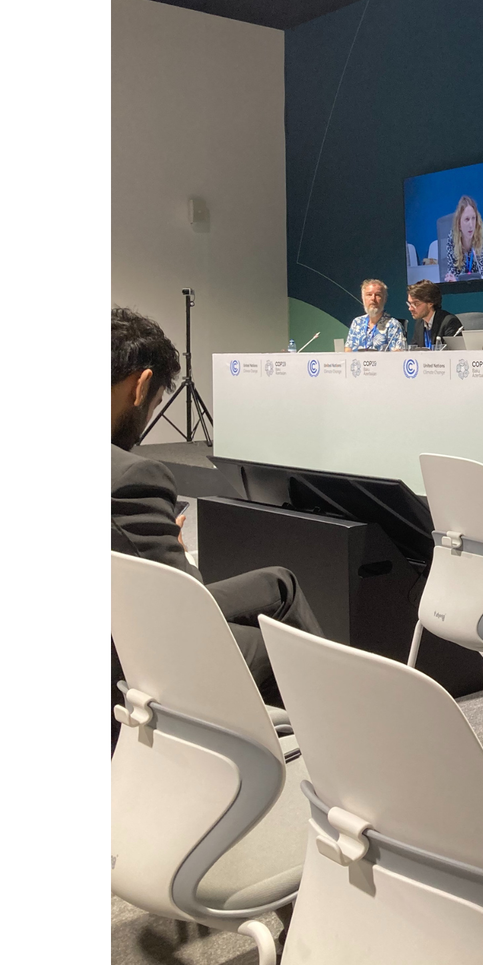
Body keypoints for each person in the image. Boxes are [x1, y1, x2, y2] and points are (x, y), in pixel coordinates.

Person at [111, 308, 301, 733]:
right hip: (139, 663)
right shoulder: (131, 479)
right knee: (295, 650)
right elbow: (188, 602)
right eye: (156, 404)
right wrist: (178, 552)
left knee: (278, 583)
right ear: (141, 386)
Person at [425, 195, 483, 282]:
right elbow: (452, 274)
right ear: (459, 224)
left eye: (473, 219)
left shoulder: (482, 239)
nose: (471, 225)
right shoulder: (452, 240)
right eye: (467, 219)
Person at [345, 278, 406, 350]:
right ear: (363, 298)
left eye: (378, 295)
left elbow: (398, 354)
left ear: (385, 299)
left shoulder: (393, 325)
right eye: (369, 295)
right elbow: (348, 350)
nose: (373, 298)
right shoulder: (357, 323)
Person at [404, 279, 462, 349]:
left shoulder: (449, 322)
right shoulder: (419, 324)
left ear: (430, 303)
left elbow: (453, 354)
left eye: (415, 304)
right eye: (410, 304)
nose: (410, 308)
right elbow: (415, 351)